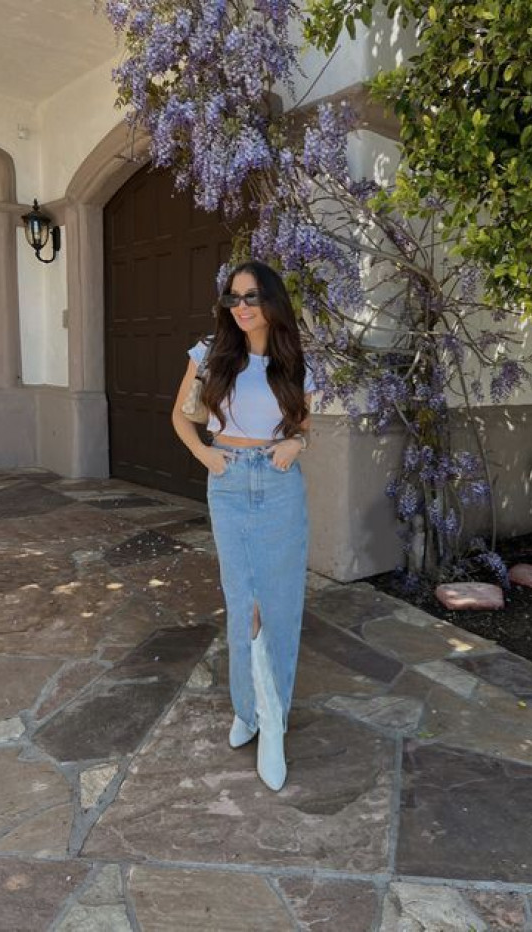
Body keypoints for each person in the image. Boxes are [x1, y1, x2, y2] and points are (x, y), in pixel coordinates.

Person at [171, 260, 315, 791]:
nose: (242, 307)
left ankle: (271, 722)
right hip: (228, 481)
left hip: (279, 486)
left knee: (278, 603)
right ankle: (247, 709)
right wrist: (206, 457)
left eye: (252, 297)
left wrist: (296, 443)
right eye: (234, 298)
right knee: (244, 603)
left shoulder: (294, 359)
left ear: (272, 301)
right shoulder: (210, 354)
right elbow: (180, 417)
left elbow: (303, 427)